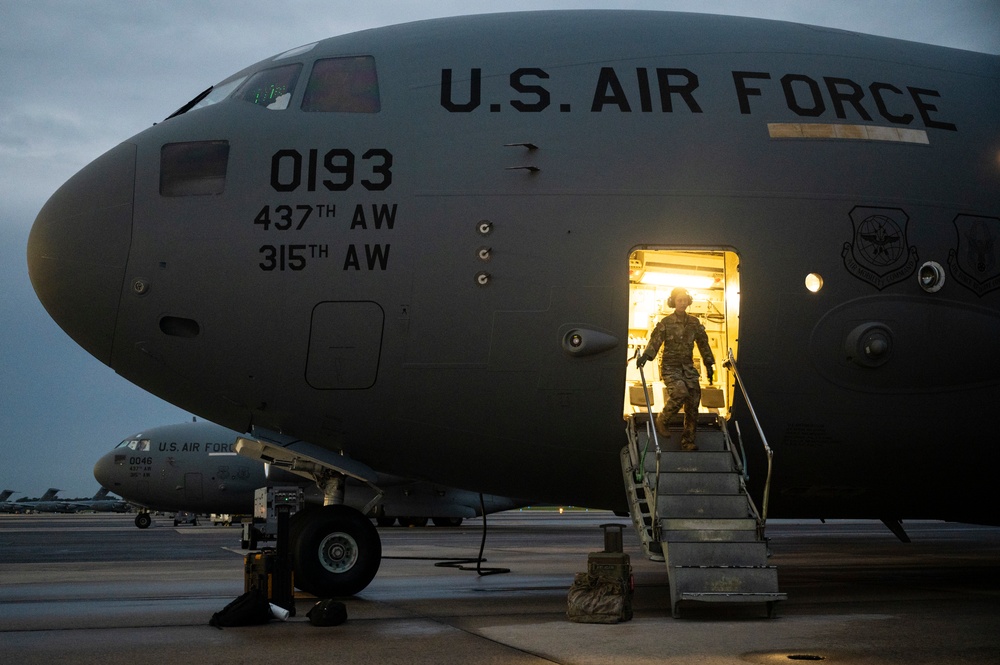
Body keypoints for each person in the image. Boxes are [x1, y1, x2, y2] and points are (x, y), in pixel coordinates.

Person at [636, 287, 714, 451]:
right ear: (673, 302)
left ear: (688, 301)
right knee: (680, 392)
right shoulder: (666, 323)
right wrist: (646, 356)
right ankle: (662, 419)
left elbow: (703, 343)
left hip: (688, 368)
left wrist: (708, 363)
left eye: (685, 300)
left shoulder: (694, 323)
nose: (682, 303)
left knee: (693, 401)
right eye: (679, 300)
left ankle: (688, 441)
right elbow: (655, 341)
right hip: (671, 367)